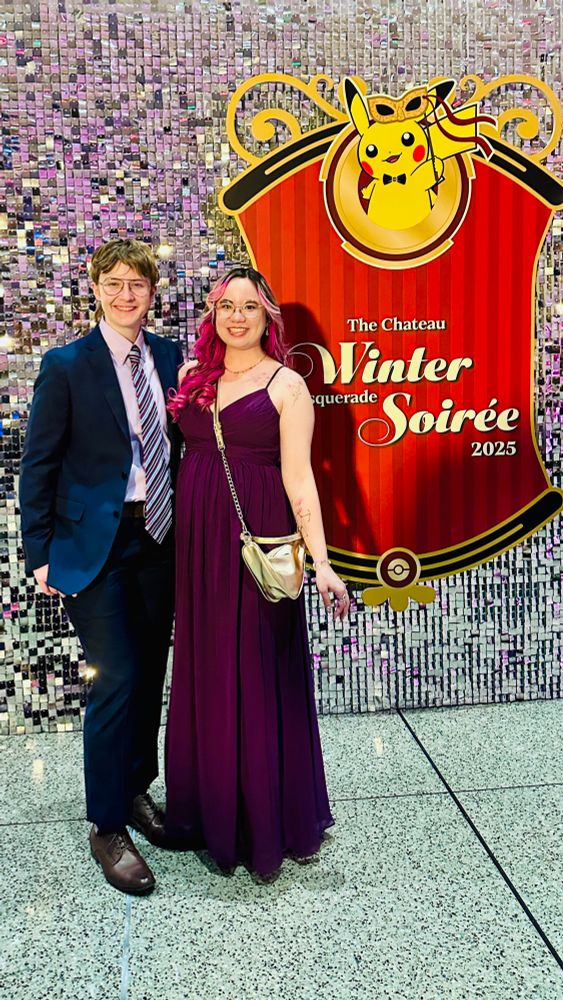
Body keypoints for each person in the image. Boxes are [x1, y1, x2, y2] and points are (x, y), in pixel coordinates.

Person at [165, 265, 349, 876]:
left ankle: (262, 819)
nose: (237, 316)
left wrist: (321, 562)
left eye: (249, 306)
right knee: (208, 662)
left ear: (268, 317)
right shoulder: (192, 376)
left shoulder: (287, 385)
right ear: (213, 315)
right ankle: (206, 809)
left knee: (256, 664)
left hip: (257, 536)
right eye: (226, 306)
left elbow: (300, 478)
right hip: (197, 540)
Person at [19, 238, 183, 895]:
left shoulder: (169, 357)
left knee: (149, 674)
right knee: (115, 677)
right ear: (95, 288)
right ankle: (106, 823)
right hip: (96, 546)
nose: (125, 295)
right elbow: (38, 464)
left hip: (162, 537)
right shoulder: (67, 366)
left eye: (136, 285)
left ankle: (138, 791)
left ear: (150, 292)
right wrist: (39, 551)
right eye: (113, 283)